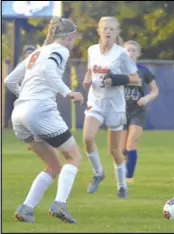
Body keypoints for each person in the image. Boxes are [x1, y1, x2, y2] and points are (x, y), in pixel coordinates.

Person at [5, 16, 84, 224]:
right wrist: (68, 92)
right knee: (74, 157)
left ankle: (26, 208)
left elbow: (9, 80)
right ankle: (60, 204)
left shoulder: (38, 52)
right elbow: (49, 70)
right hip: (40, 110)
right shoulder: (60, 50)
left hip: (19, 114)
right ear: (70, 36)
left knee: (53, 166)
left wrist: (26, 97)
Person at [82, 16, 140, 199]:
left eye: (112, 29)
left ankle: (122, 186)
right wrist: (87, 78)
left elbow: (135, 79)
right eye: (105, 28)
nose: (108, 31)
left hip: (115, 106)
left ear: (117, 33)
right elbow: (90, 70)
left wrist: (115, 79)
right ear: (98, 30)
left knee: (114, 150)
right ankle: (99, 173)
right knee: (87, 138)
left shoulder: (121, 54)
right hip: (96, 102)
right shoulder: (91, 50)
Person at [121, 40, 159, 184]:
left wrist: (147, 98)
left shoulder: (143, 70)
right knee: (120, 149)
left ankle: (128, 178)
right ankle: (123, 171)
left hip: (137, 111)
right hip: (121, 112)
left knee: (131, 144)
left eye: (133, 50)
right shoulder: (117, 70)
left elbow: (155, 90)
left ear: (138, 54)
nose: (130, 53)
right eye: (127, 50)